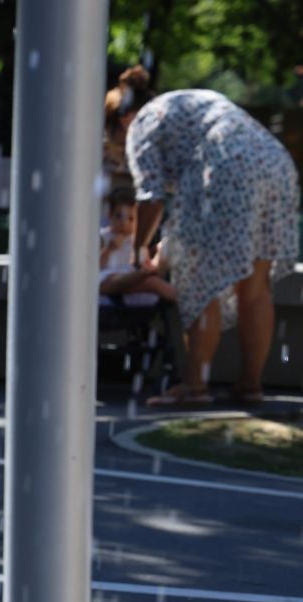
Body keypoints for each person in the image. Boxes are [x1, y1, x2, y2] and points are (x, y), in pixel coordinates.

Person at [105, 65, 299, 406]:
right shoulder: (183, 103)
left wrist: (139, 250)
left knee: (200, 284)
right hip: (274, 163)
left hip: (223, 167)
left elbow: (150, 197)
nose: (120, 151)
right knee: (255, 288)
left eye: (115, 142)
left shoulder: (142, 126)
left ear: (121, 122)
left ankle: (195, 387)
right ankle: (249, 385)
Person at [99, 187, 176, 308]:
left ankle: (184, 298)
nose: (124, 223)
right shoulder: (104, 237)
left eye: (131, 219)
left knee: (152, 281)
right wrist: (109, 249)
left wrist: (153, 251)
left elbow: (141, 260)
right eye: (118, 216)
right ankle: (147, 273)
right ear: (110, 215)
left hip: (133, 279)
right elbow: (95, 267)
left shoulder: (137, 240)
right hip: (110, 280)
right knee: (149, 281)